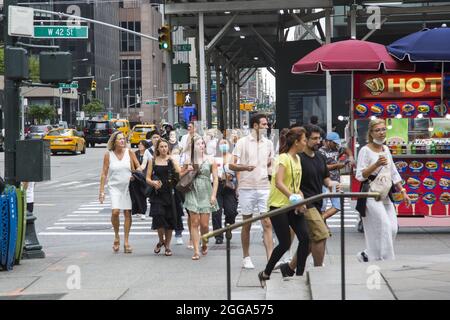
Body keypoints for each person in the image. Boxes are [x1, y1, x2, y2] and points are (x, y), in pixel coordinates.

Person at [281, 124, 341, 276]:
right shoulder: (297, 158)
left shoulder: (320, 157)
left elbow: (325, 179)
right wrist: (298, 200)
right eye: (314, 139)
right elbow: (289, 182)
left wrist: (333, 185)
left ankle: (289, 268)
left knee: (309, 240)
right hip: (304, 204)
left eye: (319, 138)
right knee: (321, 234)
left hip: (318, 202)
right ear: (304, 139)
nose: (318, 141)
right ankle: (318, 271)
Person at [257, 127, 310, 287]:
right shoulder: (283, 158)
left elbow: (295, 185)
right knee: (285, 243)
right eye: (304, 140)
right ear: (296, 142)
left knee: (305, 238)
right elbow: (279, 183)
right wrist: (292, 197)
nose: (305, 143)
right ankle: (266, 273)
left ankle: (298, 274)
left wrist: (300, 198)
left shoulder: (298, 159)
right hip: (278, 206)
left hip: (293, 205)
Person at [355, 118, 411, 262]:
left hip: (386, 194)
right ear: (371, 133)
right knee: (384, 226)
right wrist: (376, 164)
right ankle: (387, 261)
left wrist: (403, 191)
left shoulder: (386, 149)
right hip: (371, 194)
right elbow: (360, 176)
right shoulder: (365, 150)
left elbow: (393, 172)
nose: (381, 133)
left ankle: (366, 254)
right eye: (377, 130)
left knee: (392, 228)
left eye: (383, 129)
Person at [229, 113, 274, 269]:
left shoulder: (268, 143)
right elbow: (231, 165)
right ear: (255, 126)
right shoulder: (242, 142)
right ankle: (246, 256)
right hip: (247, 187)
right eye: (264, 124)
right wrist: (244, 167)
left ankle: (270, 259)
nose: (267, 127)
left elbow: (270, 163)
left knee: (267, 222)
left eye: (267, 124)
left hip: (264, 187)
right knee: (246, 223)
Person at [99, 131, 140, 254]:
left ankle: (126, 241)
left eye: (124, 139)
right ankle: (116, 235)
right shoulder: (108, 155)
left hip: (128, 187)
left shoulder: (130, 152)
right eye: (120, 139)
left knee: (127, 213)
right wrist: (101, 191)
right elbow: (104, 173)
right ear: (114, 141)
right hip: (114, 187)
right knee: (115, 212)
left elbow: (138, 167)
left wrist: (136, 174)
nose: (122, 141)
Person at [181, 137, 219, 260]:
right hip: (192, 190)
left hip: (206, 191)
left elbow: (216, 179)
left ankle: (205, 242)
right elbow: (180, 175)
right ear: (193, 146)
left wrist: (213, 195)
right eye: (198, 144)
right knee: (194, 222)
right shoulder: (189, 159)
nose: (201, 145)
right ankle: (196, 251)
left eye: (202, 143)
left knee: (204, 225)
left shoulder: (211, 159)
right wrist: (187, 169)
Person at [146, 139, 181, 257]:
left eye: (166, 146)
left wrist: (173, 161)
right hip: (157, 194)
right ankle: (161, 240)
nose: (164, 149)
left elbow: (179, 174)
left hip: (171, 193)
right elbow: (147, 178)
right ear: (157, 149)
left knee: (170, 220)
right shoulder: (153, 160)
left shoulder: (171, 160)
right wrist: (153, 183)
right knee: (159, 217)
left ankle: (167, 246)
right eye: (161, 147)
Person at [319, 132, 355, 220]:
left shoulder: (337, 148)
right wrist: (337, 165)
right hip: (324, 182)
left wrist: (350, 157)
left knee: (337, 206)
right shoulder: (320, 152)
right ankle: (323, 227)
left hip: (335, 182)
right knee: (322, 207)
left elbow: (347, 149)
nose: (336, 144)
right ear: (328, 142)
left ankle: (320, 221)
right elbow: (322, 167)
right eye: (334, 142)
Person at [212, 139, 238, 245]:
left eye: (225, 143)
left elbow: (238, 172)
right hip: (216, 186)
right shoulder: (214, 158)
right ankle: (218, 235)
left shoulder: (233, 157)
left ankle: (228, 227)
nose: (223, 145)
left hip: (230, 187)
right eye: (221, 143)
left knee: (231, 211)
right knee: (216, 212)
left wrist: (237, 187)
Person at [131, 140, 151, 220]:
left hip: (145, 176)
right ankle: (138, 211)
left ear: (145, 146)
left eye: (141, 144)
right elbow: (132, 164)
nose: (140, 145)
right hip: (136, 176)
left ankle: (143, 212)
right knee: (136, 194)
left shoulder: (148, 153)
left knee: (143, 194)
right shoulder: (135, 153)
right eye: (139, 144)